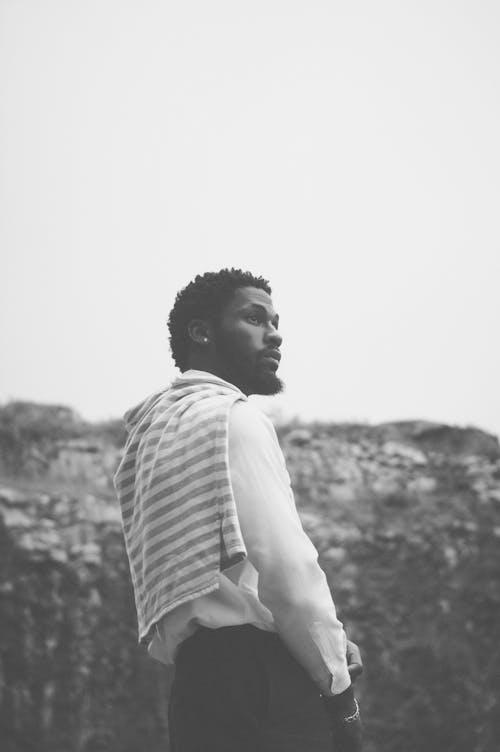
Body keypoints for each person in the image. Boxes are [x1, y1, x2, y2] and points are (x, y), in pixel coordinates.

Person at [114, 268, 363, 752]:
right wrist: (339, 689)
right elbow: (289, 574)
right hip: (266, 684)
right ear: (202, 332)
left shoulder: (152, 435)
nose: (275, 334)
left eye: (275, 321)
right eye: (254, 318)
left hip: (196, 691)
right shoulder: (234, 419)